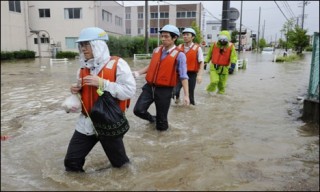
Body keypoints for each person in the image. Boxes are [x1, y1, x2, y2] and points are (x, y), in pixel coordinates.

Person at [64, 27, 136, 172]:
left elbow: (129, 91)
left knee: (121, 166)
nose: (83, 49)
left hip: (109, 122)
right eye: (81, 45)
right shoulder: (83, 69)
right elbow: (84, 98)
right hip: (86, 122)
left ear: (98, 45)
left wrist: (103, 83)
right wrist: (75, 90)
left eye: (87, 44)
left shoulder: (118, 64)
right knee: (71, 163)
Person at [132, 24, 190, 131]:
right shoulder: (156, 50)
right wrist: (138, 73)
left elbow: (183, 76)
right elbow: (152, 66)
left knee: (162, 123)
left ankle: (162, 141)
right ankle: (152, 119)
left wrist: (186, 95)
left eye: (166, 36)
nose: (163, 39)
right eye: (162, 36)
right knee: (138, 110)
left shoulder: (180, 55)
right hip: (149, 87)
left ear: (174, 38)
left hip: (165, 90)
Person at [174, 27, 204, 105]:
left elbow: (201, 62)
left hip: (191, 74)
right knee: (175, 91)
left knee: (191, 95)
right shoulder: (179, 47)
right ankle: (177, 100)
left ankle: (191, 109)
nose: (185, 36)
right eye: (184, 35)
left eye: (187, 35)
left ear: (193, 37)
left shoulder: (198, 48)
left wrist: (199, 75)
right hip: (180, 73)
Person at [204, 30, 237, 95]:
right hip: (214, 67)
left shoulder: (231, 46)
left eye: (224, 39)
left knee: (222, 86)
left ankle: (220, 98)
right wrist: (205, 62)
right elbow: (209, 55)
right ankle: (208, 91)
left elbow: (233, 57)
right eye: (221, 39)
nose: (222, 41)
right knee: (214, 81)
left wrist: (232, 66)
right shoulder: (214, 45)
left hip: (225, 69)